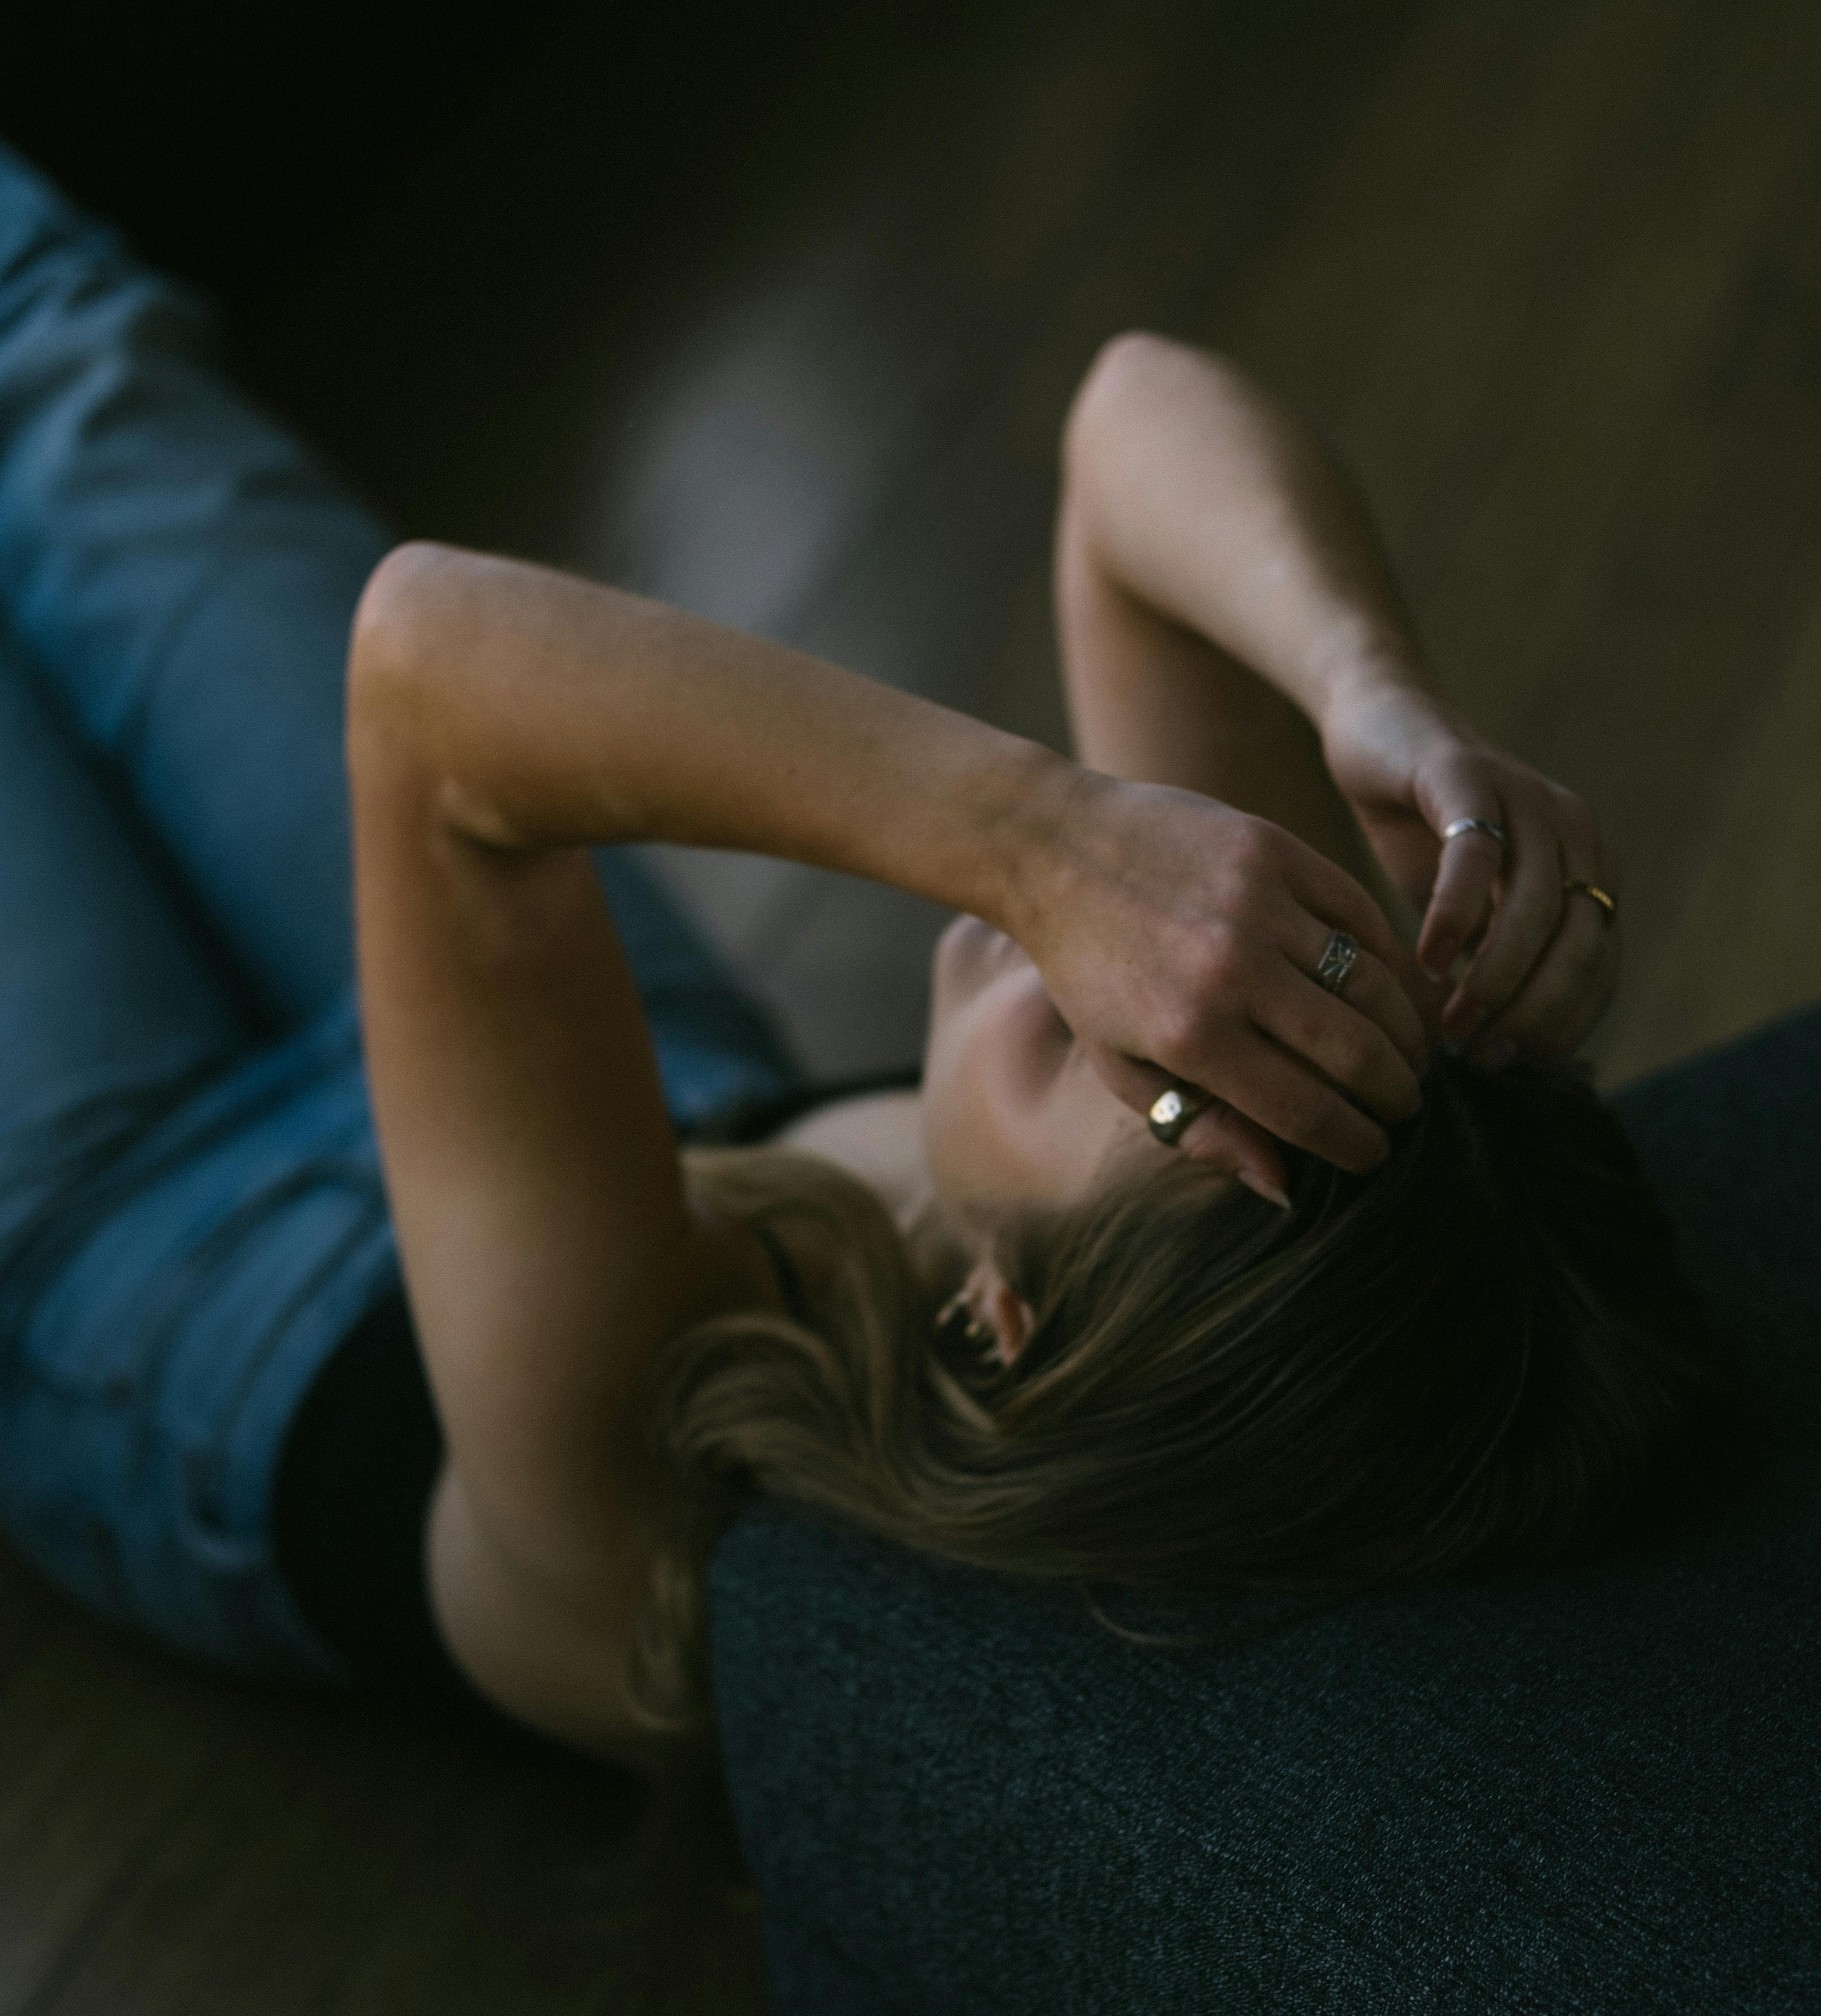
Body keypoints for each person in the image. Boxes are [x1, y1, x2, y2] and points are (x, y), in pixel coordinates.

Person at [0, 144, 1711, 1766]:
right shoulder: (1283, 1168)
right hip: (627, 1059)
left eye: (1105, 1060)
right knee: (58, 350)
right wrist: (1364, 688)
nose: (1109, 966)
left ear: (1005, 1320)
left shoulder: (669, 1541)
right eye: (1215, 1008)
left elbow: (431, 666)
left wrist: (1042, 836)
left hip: (146, 1245)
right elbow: (1133, 415)